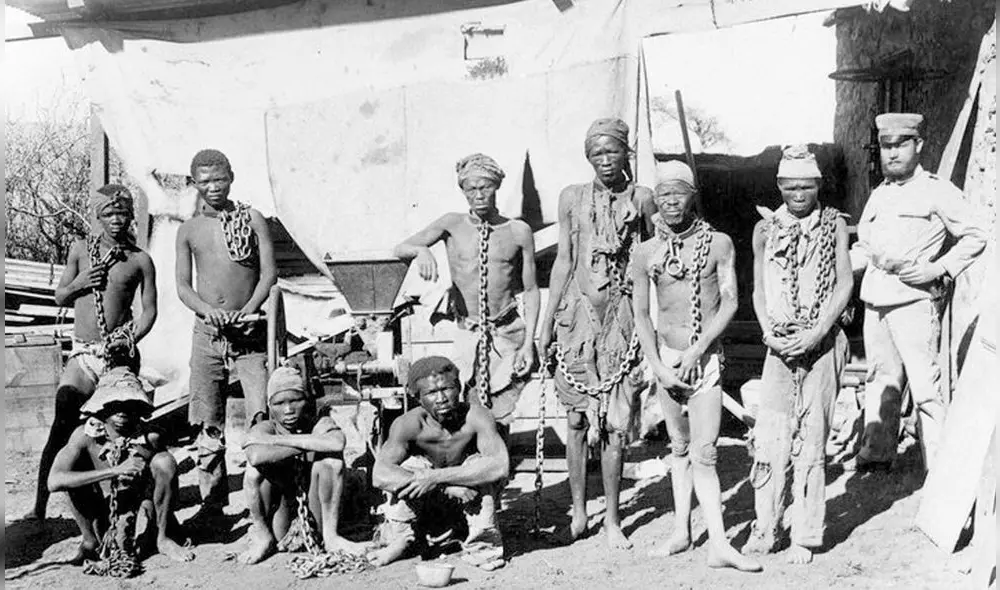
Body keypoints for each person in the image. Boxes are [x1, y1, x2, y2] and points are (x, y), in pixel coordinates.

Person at [632, 160, 761, 572]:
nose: (671, 201)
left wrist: (697, 349)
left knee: (705, 453)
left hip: (703, 358)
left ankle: (720, 544)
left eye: (679, 193)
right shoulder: (645, 252)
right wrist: (660, 367)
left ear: (693, 196)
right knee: (679, 447)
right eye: (664, 193)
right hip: (667, 361)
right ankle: (681, 531)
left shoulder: (719, 243)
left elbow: (730, 301)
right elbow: (641, 315)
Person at [538, 117, 656, 549]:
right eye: (596, 154)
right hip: (575, 317)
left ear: (627, 152)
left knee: (614, 423)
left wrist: (647, 322)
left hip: (622, 319)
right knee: (574, 419)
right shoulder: (572, 197)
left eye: (612, 152)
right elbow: (563, 260)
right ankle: (579, 509)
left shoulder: (643, 198)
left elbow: (652, 258)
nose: (605, 161)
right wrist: (546, 321)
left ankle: (612, 519)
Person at [850, 113, 987, 471]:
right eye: (886, 146)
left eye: (901, 145)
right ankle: (876, 455)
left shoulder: (936, 190)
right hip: (876, 297)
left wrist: (939, 268)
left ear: (919, 146)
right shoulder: (880, 194)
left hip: (913, 298)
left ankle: (938, 471)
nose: (892, 154)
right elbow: (865, 247)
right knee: (880, 378)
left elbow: (976, 234)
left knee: (926, 389)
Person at [742, 146, 854, 564]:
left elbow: (843, 283)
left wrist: (819, 331)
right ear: (779, 187)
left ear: (819, 185)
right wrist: (768, 333)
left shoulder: (834, 226)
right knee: (771, 437)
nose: (798, 195)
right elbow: (757, 288)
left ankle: (805, 535)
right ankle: (764, 528)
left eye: (806, 186)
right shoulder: (764, 229)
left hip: (822, 343)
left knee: (811, 439)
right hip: (780, 345)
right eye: (789, 188)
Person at [30, 185, 158, 522]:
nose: (116, 220)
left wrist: (130, 336)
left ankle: (144, 502)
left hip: (120, 354)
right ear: (98, 216)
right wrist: (81, 283)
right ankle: (40, 506)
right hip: (85, 353)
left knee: (129, 426)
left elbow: (149, 311)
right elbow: (61, 297)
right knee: (64, 418)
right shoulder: (79, 251)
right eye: (108, 214)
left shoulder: (140, 259)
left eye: (122, 213)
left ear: (131, 215)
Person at [393, 153, 539, 434]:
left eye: (485, 187)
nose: (479, 194)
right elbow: (401, 248)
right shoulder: (451, 224)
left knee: (501, 410)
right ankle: (474, 466)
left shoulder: (519, 231)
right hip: (467, 331)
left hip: (506, 331)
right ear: (463, 190)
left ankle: (499, 468)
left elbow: (531, 290)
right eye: (471, 188)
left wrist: (527, 343)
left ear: (497, 187)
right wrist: (422, 250)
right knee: (465, 405)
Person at [176, 148, 277, 517]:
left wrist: (247, 311)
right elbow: (184, 287)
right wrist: (210, 312)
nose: (213, 187)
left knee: (261, 413)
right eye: (204, 182)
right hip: (208, 333)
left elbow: (268, 274)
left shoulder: (251, 219)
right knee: (208, 423)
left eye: (219, 179)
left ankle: (266, 501)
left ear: (231, 177)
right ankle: (211, 506)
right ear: (194, 184)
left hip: (249, 332)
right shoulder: (189, 229)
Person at [369, 356, 510, 571]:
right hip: (429, 502)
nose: (441, 398)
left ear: (459, 388)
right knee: (411, 467)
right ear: (417, 397)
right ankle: (401, 539)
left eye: (447, 389)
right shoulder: (408, 424)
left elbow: (499, 466)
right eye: (431, 393)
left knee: (479, 463)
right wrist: (444, 485)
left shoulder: (477, 417)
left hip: (469, 497)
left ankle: (483, 546)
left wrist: (435, 478)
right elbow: (380, 475)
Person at [47, 367, 193, 570]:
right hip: (101, 506)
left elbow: (164, 481)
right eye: (114, 405)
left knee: (164, 461)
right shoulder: (84, 436)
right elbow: (54, 481)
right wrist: (114, 471)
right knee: (73, 478)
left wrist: (163, 520)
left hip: (137, 504)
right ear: (102, 408)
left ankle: (163, 538)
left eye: (129, 405)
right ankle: (90, 540)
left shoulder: (150, 437)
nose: (121, 412)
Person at [237, 366, 367, 564]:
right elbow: (255, 455)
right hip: (283, 515)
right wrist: (311, 443)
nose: (288, 410)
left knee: (331, 461)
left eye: (295, 401)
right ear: (270, 405)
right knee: (253, 471)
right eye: (280, 403)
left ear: (306, 400)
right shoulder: (265, 427)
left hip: (316, 513)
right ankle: (263, 536)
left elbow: (336, 442)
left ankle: (331, 538)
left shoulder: (319, 423)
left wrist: (280, 442)